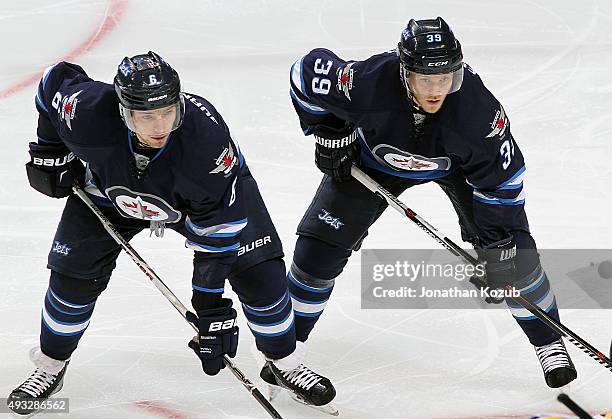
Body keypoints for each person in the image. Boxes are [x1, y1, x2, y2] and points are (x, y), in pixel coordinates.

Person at [8, 51, 335, 416]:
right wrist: (48, 149)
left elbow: (218, 235)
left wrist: (209, 305)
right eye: (146, 116)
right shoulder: (85, 112)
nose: (159, 125)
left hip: (198, 199)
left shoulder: (206, 145)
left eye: (168, 111)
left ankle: (285, 362)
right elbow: (54, 79)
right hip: (109, 192)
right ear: (122, 111)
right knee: (72, 277)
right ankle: (50, 365)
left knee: (259, 273)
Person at [285, 17, 577, 389]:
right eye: (426, 79)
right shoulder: (366, 84)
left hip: (456, 166)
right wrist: (329, 131)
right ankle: (285, 350)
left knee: (512, 258)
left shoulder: (478, 113)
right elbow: (304, 72)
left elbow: (503, 182)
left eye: (446, 78)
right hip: (373, 161)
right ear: (405, 72)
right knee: (317, 251)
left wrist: (498, 244)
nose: (437, 89)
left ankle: (549, 342)